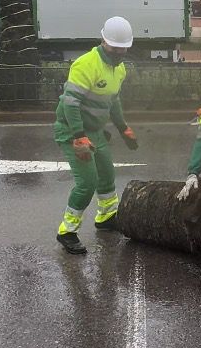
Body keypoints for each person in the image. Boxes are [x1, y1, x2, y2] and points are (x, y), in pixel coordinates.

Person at [53, 16, 139, 255]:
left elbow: (113, 100)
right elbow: (71, 104)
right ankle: (67, 231)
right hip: (72, 130)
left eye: (124, 49)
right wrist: (79, 136)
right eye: (115, 48)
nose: (119, 53)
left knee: (107, 175)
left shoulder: (118, 68)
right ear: (103, 41)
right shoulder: (86, 65)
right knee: (87, 183)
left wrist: (123, 128)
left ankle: (106, 217)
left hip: (96, 131)